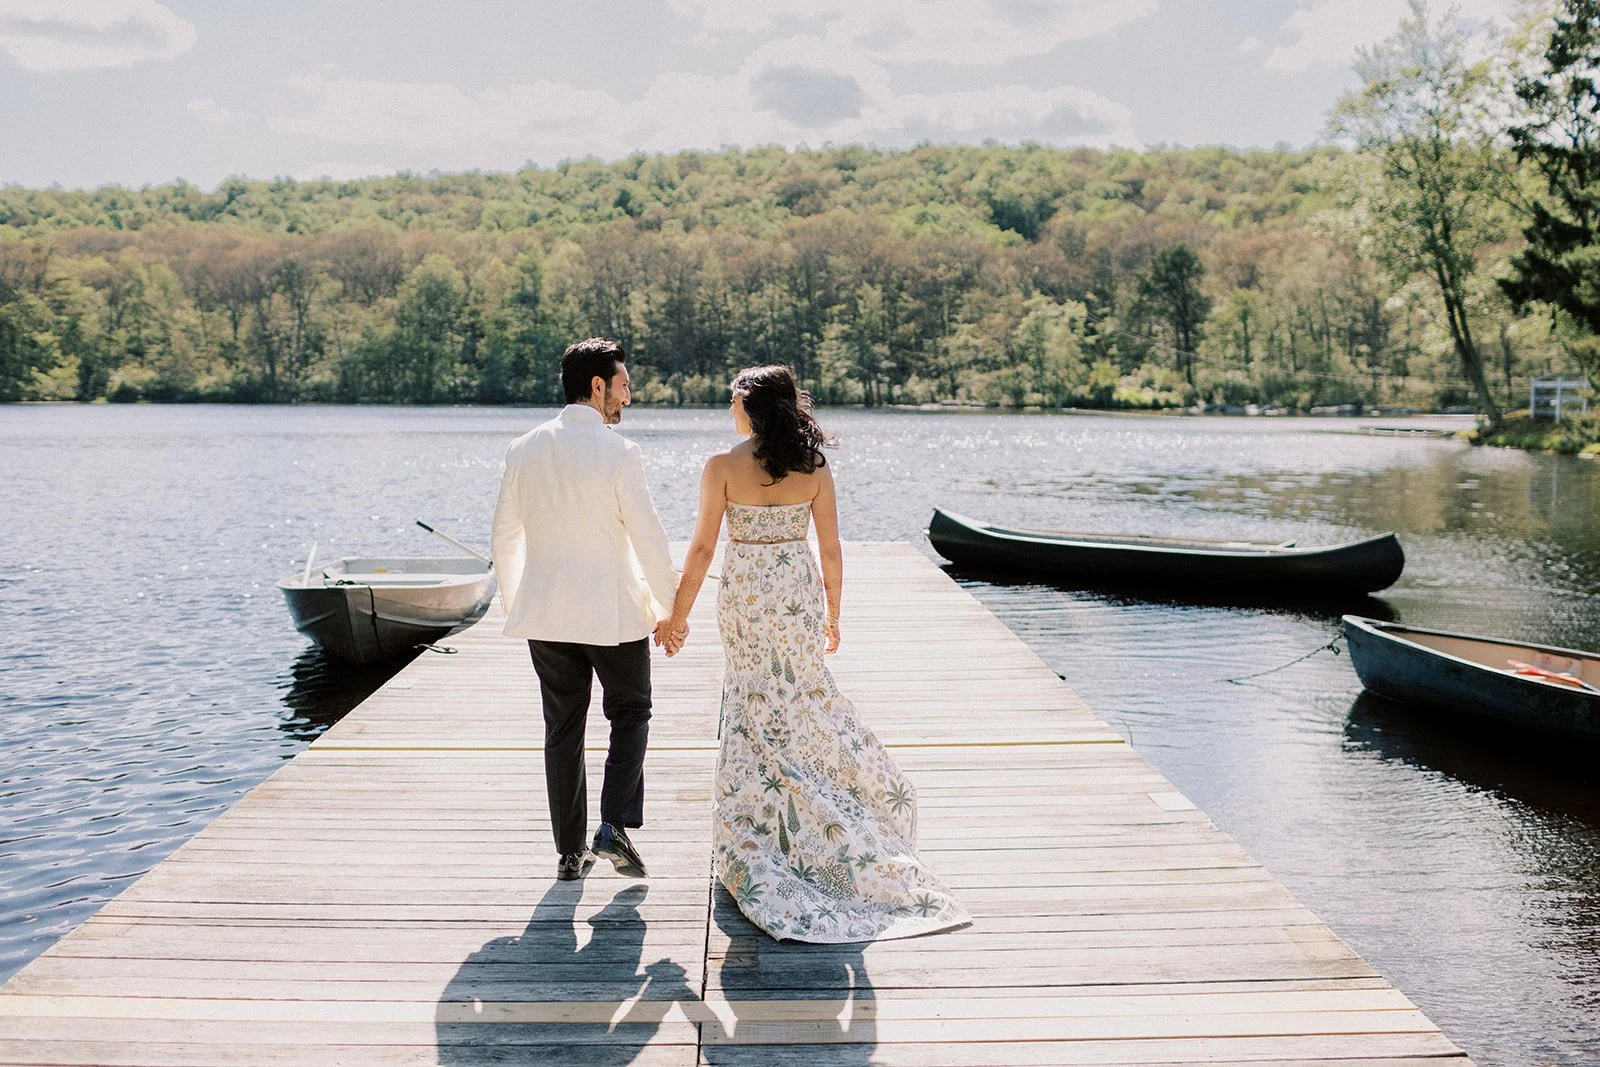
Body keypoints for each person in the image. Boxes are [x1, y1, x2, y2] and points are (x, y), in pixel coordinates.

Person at [661, 365, 969, 942]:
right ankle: (823, 808)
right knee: (802, 695)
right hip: (795, 590)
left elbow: (703, 547)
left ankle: (758, 827)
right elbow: (829, 548)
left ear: (752, 409)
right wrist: (833, 613)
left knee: (752, 703)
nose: (729, 409)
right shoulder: (814, 467)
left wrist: (678, 617)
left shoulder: (722, 467)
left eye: (734, 401)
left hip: (748, 594)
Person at [490, 338, 680, 882]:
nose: (627, 397)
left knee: (563, 729)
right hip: (612, 611)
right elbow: (648, 536)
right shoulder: (620, 453)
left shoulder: (523, 447)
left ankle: (569, 854)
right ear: (597, 387)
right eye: (623, 386)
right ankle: (614, 824)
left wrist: (516, 602)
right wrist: (670, 611)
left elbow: (505, 535)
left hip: (545, 612)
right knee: (631, 711)